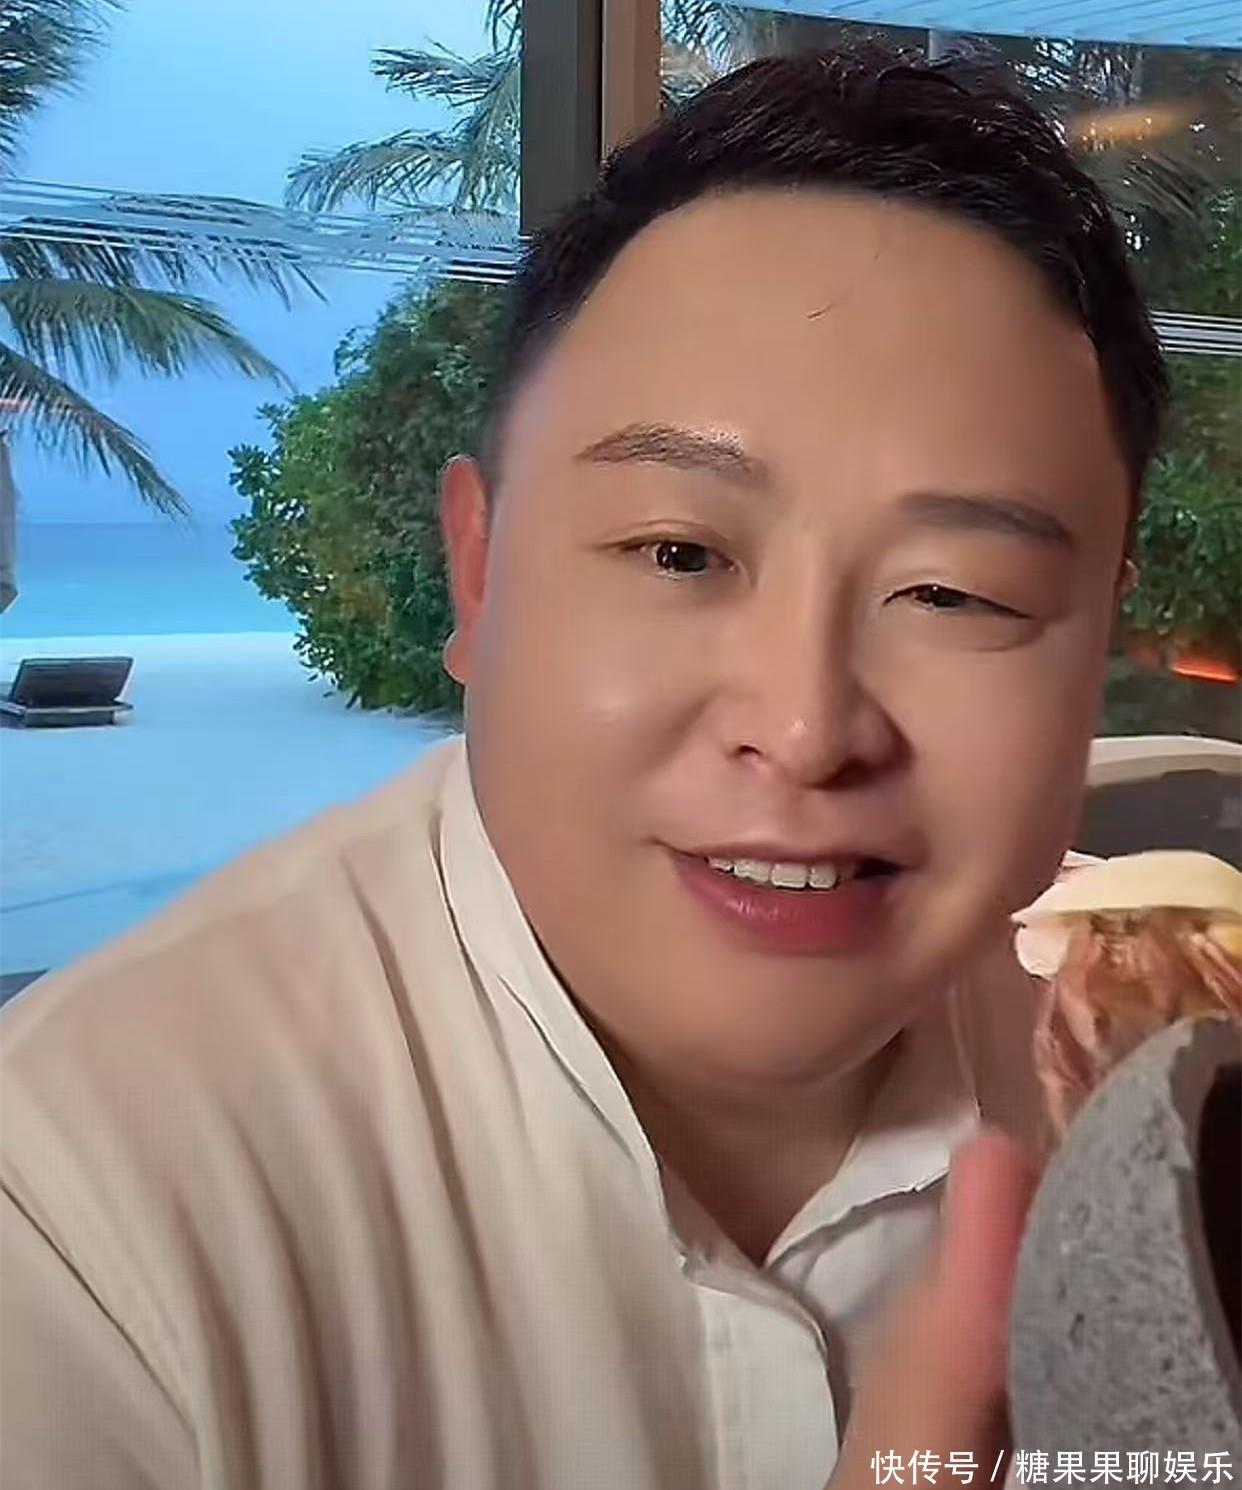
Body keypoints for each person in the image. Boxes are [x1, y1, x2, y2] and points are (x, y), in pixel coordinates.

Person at [0, 45, 1165, 1490]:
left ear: (1100, 636)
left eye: (952, 592)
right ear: (478, 573)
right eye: (677, 553)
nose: (805, 729)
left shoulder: (1170, 1072)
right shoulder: (76, 1211)